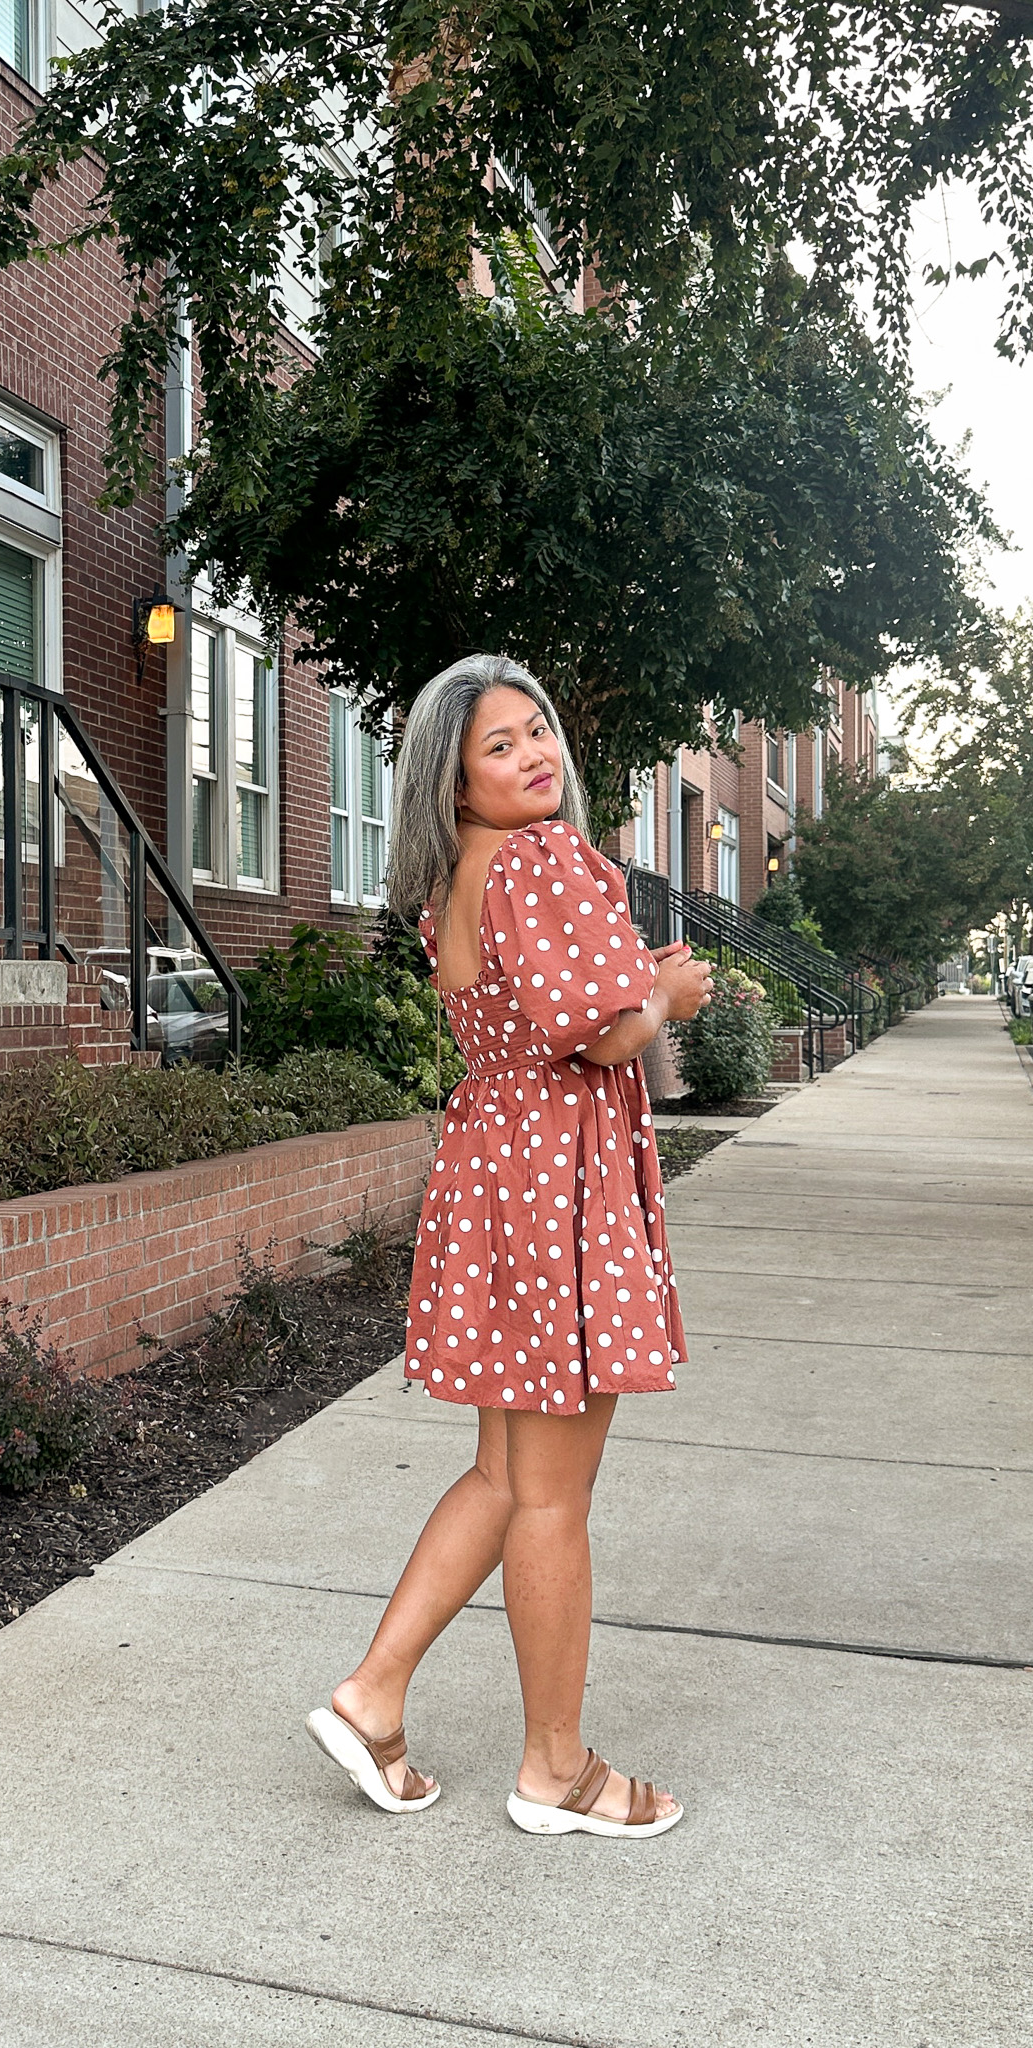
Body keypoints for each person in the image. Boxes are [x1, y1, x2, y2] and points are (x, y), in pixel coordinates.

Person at [307, 653, 713, 1840]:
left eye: (536, 731)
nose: (534, 753)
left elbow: (531, 1012)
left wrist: (630, 990)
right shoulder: (539, 861)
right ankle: (556, 1767)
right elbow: (596, 1034)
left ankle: (372, 1694)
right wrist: (664, 996)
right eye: (499, 743)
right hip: (558, 1184)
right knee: (552, 1494)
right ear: (453, 779)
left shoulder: (464, 881)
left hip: (499, 1172)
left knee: (504, 1475)